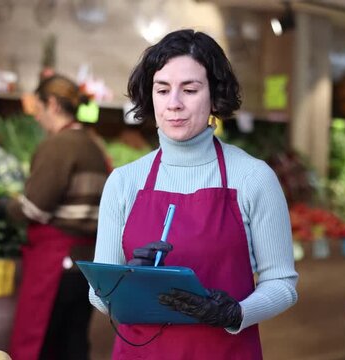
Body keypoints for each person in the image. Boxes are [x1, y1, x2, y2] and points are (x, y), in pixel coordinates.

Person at [89, 29, 298, 359]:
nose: (174, 104)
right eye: (162, 90)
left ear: (214, 97)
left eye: (189, 89)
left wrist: (235, 314)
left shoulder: (254, 178)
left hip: (222, 350)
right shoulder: (124, 182)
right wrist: (124, 281)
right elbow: (97, 295)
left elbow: (283, 284)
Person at [3, 74, 110, 360]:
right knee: (74, 342)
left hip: (57, 262)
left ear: (51, 104)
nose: (37, 118)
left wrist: (9, 205)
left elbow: (35, 208)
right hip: (86, 262)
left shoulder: (58, 146)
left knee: (45, 345)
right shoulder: (94, 145)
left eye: (37, 109)